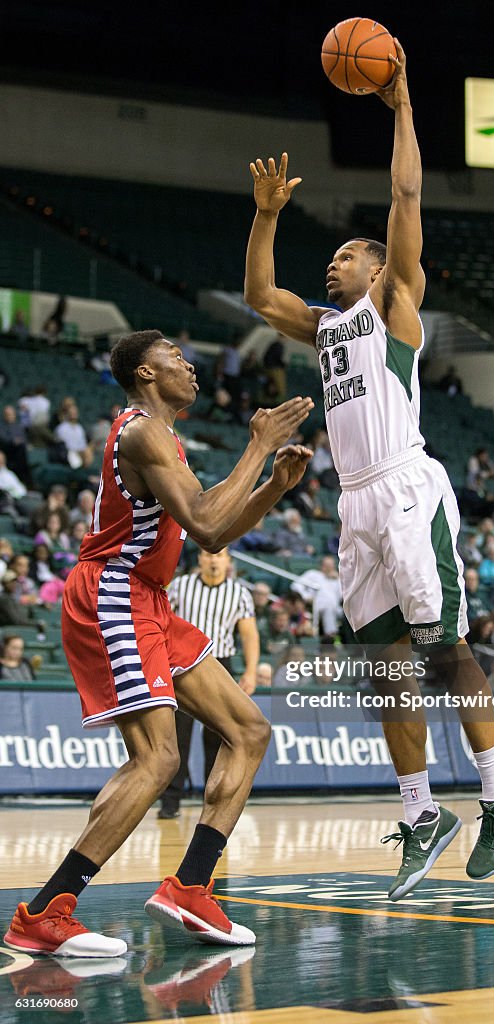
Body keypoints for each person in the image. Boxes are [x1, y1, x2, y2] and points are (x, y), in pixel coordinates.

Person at [244, 43, 494, 899]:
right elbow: (260, 298)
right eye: (329, 258)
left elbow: (406, 193)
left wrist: (401, 102)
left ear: (377, 267)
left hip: (407, 487)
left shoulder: (393, 302)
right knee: (385, 670)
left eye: (345, 256)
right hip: (355, 506)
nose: (332, 264)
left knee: (444, 652)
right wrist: (265, 217)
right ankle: (420, 812)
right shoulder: (327, 326)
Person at [4, 329, 313, 957]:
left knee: (249, 731)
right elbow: (203, 521)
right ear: (146, 373)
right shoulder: (142, 431)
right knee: (158, 760)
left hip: (150, 600)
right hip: (114, 594)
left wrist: (272, 489)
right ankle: (45, 912)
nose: (192, 366)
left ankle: (191, 886)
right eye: (176, 358)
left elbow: (215, 533)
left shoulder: (164, 437)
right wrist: (257, 446)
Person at [159, 546, 260, 819]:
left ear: (228, 561)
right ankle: (170, 804)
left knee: (218, 739)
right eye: (209, 555)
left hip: (221, 663)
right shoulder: (181, 586)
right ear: (200, 560)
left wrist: (250, 671)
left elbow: (249, 634)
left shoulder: (239, 593)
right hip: (182, 664)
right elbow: (162, 620)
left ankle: (213, 803)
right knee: (177, 736)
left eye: (219, 556)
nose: (214, 560)